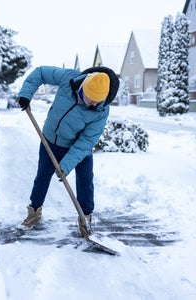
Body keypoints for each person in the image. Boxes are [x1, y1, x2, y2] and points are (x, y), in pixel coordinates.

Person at [17, 65, 119, 237]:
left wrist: (66, 165)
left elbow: (86, 141)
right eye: (90, 98)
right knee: (43, 175)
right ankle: (34, 211)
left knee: (85, 180)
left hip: (78, 147)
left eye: (98, 101)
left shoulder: (101, 111)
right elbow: (40, 73)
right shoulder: (69, 78)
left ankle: (85, 218)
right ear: (83, 87)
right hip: (50, 140)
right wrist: (26, 94)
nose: (93, 104)